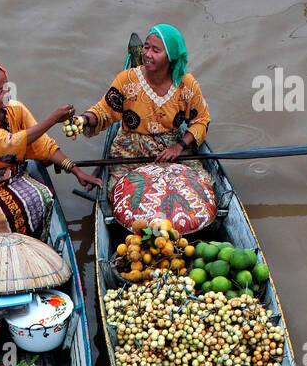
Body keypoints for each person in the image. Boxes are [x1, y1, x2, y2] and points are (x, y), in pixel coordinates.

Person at [79, 25, 216, 234]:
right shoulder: (127, 80)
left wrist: (179, 147)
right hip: (130, 150)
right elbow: (105, 111)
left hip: (170, 150)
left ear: (170, 57)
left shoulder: (186, 84)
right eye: (146, 47)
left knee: (204, 189)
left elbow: (201, 120)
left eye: (156, 50)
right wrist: (84, 119)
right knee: (119, 196)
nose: (147, 54)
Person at [0, 60, 102, 241]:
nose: (7, 93)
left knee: (43, 197)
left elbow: (43, 145)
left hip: (12, 174)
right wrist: (52, 119)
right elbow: (10, 143)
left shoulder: (16, 109)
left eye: (7, 86)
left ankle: (27, 242)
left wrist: (75, 170)